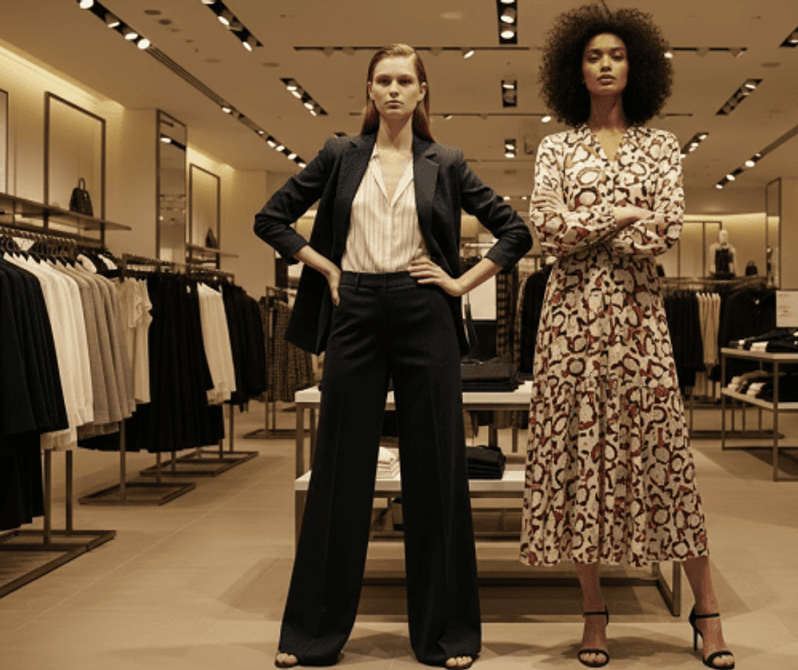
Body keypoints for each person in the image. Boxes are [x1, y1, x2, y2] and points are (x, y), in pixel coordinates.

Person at [254, 44, 532, 669]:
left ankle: (446, 633)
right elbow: (271, 218)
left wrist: (460, 282)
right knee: (339, 469)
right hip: (353, 307)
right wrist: (324, 266)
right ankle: (312, 634)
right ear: (370, 89)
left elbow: (516, 230)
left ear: (423, 90)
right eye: (384, 79)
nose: (394, 90)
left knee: (437, 468)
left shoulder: (447, 161)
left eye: (406, 80)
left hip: (424, 310)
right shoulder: (340, 155)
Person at [521, 6, 735, 670]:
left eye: (615, 54)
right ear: (574, 70)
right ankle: (593, 613)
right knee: (579, 456)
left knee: (666, 457)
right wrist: (620, 212)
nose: (605, 64)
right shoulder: (557, 148)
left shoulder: (662, 146)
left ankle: (707, 611)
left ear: (633, 65)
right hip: (569, 322)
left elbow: (664, 232)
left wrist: (590, 220)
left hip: (640, 323)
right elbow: (545, 232)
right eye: (592, 56)